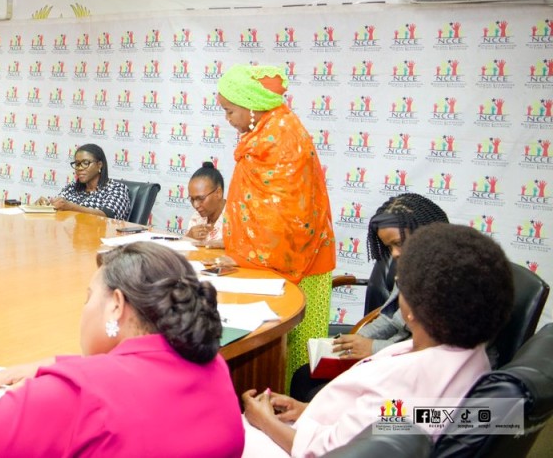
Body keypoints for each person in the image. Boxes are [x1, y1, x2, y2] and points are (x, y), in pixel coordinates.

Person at [0, 242, 244, 458]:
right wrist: (54, 365)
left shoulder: (74, 395)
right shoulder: (212, 363)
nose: (85, 307)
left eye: (89, 297)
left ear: (116, 305)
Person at [241, 223, 513, 457]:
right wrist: (307, 410)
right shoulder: (469, 354)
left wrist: (264, 421)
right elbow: (375, 420)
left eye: (401, 285)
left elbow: (327, 451)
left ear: (412, 310)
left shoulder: (404, 382)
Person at [216, 64, 335, 387]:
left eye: (229, 111)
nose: (227, 119)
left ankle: (287, 411)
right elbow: (254, 207)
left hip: (299, 266)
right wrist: (231, 241)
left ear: (251, 106)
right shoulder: (266, 133)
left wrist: (240, 254)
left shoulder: (281, 139)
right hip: (271, 261)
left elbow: (285, 219)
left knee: (292, 363)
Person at [289, 193, 449, 401]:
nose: (395, 254)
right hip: (390, 357)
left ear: (426, 232)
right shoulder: (411, 265)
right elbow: (390, 317)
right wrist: (355, 341)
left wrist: (371, 348)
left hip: (415, 374)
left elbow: (429, 351)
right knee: (304, 376)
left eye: (399, 243)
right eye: (389, 247)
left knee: (318, 395)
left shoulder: (449, 281)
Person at [36, 143, 132, 220]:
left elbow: (107, 217)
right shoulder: (72, 187)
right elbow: (60, 206)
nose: (80, 168)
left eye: (85, 163)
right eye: (77, 164)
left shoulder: (116, 188)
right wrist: (46, 205)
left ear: (99, 165)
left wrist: (71, 207)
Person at [181, 161, 226, 246]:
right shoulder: (197, 217)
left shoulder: (236, 219)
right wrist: (189, 237)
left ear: (218, 193)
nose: (195, 205)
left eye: (201, 198)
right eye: (192, 199)